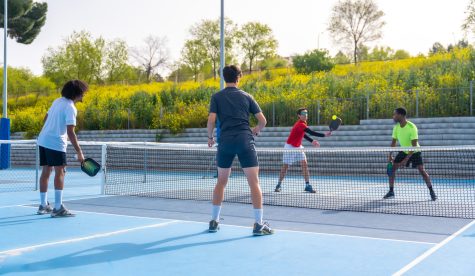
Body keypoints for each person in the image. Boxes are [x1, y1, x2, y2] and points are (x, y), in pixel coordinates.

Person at [207, 65, 273, 236]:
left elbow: (211, 120)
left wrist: (210, 137)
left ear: (224, 78)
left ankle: (214, 221)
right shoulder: (247, 96)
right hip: (245, 141)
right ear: (239, 77)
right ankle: (258, 224)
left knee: (221, 182)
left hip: (225, 143)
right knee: (254, 183)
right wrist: (256, 129)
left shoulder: (216, 97)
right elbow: (263, 121)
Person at [36, 80, 88, 217]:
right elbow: (71, 132)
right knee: (60, 172)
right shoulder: (71, 107)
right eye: (83, 92)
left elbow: (45, 119)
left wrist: (51, 129)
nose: (84, 95)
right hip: (56, 143)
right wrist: (79, 152)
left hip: (43, 139)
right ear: (77, 93)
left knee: (46, 171)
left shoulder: (57, 101)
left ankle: (43, 205)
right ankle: (58, 208)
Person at [384, 107, 437, 201]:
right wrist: (389, 155)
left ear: (400, 115)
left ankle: (432, 191)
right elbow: (393, 143)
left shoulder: (412, 127)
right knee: (392, 169)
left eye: (395, 114)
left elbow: (413, 147)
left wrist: (405, 161)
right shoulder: (396, 127)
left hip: (415, 152)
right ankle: (391, 191)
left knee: (422, 171)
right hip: (404, 151)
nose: (393, 116)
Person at [275, 108, 331, 193]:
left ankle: (307, 185)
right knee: (285, 166)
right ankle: (278, 185)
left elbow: (303, 134)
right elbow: (311, 132)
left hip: (298, 147)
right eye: (303, 114)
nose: (305, 115)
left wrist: (312, 141)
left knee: (304, 164)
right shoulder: (300, 124)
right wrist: (324, 135)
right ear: (299, 115)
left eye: (306, 113)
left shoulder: (303, 123)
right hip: (290, 147)